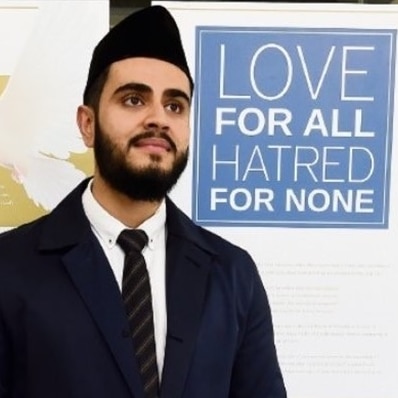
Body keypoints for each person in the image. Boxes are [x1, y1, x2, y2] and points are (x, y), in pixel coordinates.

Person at [0, 5, 286, 398]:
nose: (158, 118)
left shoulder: (232, 275)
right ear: (87, 124)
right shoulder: (10, 268)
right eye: (134, 99)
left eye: (175, 105)